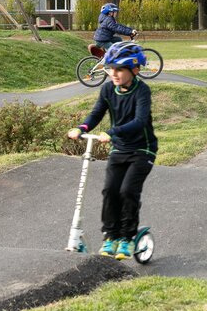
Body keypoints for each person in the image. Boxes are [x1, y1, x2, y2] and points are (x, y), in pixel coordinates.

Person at [67, 41, 157, 260]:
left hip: (142, 150)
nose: (114, 74)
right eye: (111, 69)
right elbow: (97, 113)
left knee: (127, 191)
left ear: (134, 70)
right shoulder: (108, 89)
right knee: (110, 191)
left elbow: (139, 121)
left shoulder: (142, 91)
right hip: (119, 149)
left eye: (119, 69)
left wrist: (113, 132)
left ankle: (126, 238)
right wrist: (82, 127)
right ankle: (111, 237)